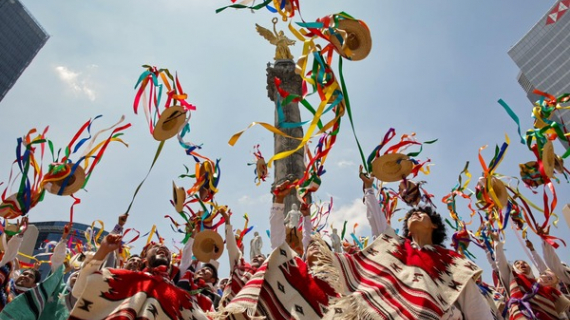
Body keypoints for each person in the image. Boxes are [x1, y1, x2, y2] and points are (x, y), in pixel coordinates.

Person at [322, 169, 493, 320]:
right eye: (412, 215)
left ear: (434, 225)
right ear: (408, 231)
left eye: (421, 214)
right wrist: (368, 189)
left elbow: (475, 306)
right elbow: (377, 222)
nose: (416, 215)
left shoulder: (453, 262)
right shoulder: (396, 247)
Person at [69, 234, 209, 319]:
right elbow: (80, 290)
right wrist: (103, 251)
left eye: (166, 250)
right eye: (156, 247)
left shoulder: (181, 297)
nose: (163, 248)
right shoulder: (124, 278)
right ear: (145, 259)